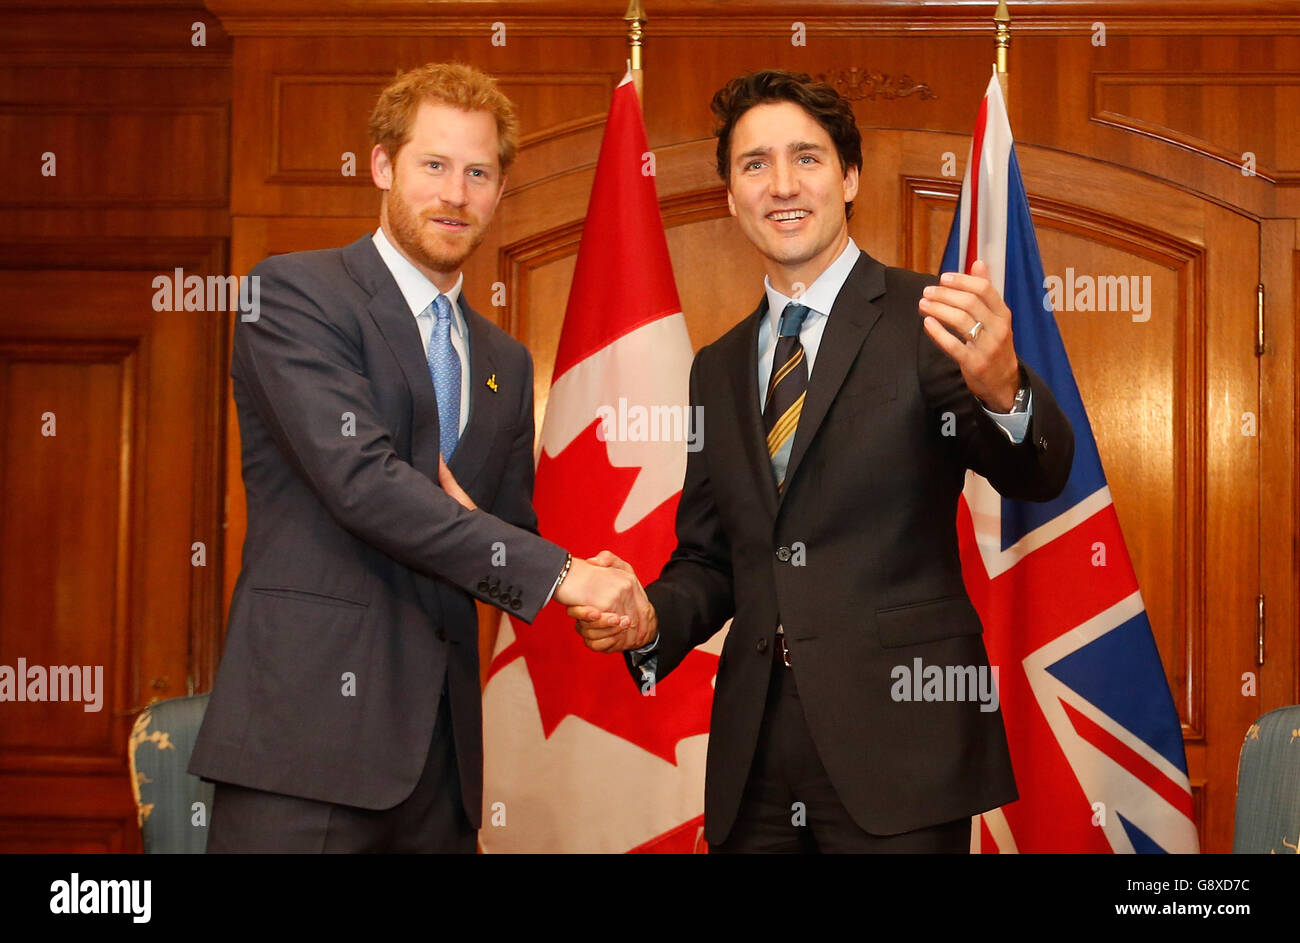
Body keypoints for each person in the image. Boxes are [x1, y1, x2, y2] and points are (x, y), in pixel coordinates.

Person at [571, 69, 1074, 853]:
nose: (781, 185)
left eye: (806, 158)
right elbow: (714, 558)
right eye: (754, 164)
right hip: (755, 760)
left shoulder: (927, 321)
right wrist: (647, 618)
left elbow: (1039, 476)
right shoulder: (717, 365)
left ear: (849, 178)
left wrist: (1006, 389)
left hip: (904, 752)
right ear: (730, 195)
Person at [190, 62, 645, 853]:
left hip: (441, 770)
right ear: (381, 166)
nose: (455, 194)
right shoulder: (295, 294)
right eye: (433, 165)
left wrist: (606, 601)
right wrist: (566, 574)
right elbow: (361, 484)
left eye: (478, 173)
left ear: (500, 192)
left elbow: (499, 539)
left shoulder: (503, 360)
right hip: (304, 755)